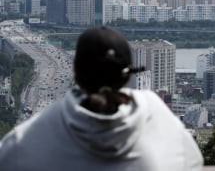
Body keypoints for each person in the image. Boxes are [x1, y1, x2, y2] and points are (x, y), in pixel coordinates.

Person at [0, 26, 203, 171]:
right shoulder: (164, 123)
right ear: (127, 74)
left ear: (75, 70)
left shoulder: (26, 141)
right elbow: (193, 162)